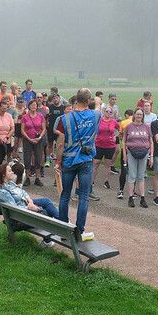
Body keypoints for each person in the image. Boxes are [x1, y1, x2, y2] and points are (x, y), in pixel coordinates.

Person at [55, 89, 100, 240]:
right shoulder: (95, 115)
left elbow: (60, 144)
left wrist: (58, 161)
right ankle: (79, 231)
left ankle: (63, 230)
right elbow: (98, 104)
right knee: (84, 197)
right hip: (86, 160)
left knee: (65, 195)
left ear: (76, 100)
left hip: (68, 160)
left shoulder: (65, 119)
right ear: (88, 101)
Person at [0, 161, 60, 227]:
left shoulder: (10, 183)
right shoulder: (2, 192)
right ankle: (64, 226)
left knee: (46, 201)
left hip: (25, 205)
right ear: (4, 175)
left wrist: (30, 202)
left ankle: (63, 223)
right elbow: (14, 209)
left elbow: (23, 192)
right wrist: (29, 208)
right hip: (21, 217)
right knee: (47, 212)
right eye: (10, 171)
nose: (13, 172)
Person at [123, 108, 154, 208]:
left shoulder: (146, 127)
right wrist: (125, 154)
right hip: (132, 153)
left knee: (141, 176)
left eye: (141, 114)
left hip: (144, 153)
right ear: (134, 115)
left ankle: (142, 198)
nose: (139, 116)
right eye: (137, 114)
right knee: (132, 175)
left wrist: (151, 155)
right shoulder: (129, 127)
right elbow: (124, 141)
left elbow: (151, 141)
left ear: (143, 116)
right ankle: (131, 197)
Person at [21, 99, 47, 187]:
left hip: (38, 140)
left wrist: (39, 137)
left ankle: (37, 178)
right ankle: (27, 178)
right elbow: (22, 130)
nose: (33, 106)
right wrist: (29, 138)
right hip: (27, 140)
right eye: (32, 105)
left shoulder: (40, 116)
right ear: (29, 106)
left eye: (35, 105)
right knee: (27, 158)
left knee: (38, 158)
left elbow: (44, 129)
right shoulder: (25, 117)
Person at [93, 105, 119, 192]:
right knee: (96, 163)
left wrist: (116, 136)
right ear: (104, 112)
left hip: (110, 145)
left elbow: (121, 129)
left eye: (110, 112)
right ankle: (92, 181)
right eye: (107, 111)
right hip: (99, 145)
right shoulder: (99, 120)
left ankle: (106, 181)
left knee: (108, 164)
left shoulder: (114, 122)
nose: (108, 113)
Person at [116, 109, 134, 199]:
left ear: (127, 115)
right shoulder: (137, 122)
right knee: (133, 171)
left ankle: (121, 190)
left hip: (125, 148)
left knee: (123, 170)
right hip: (135, 149)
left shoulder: (123, 122)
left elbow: (120, 136)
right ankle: (133, 192)